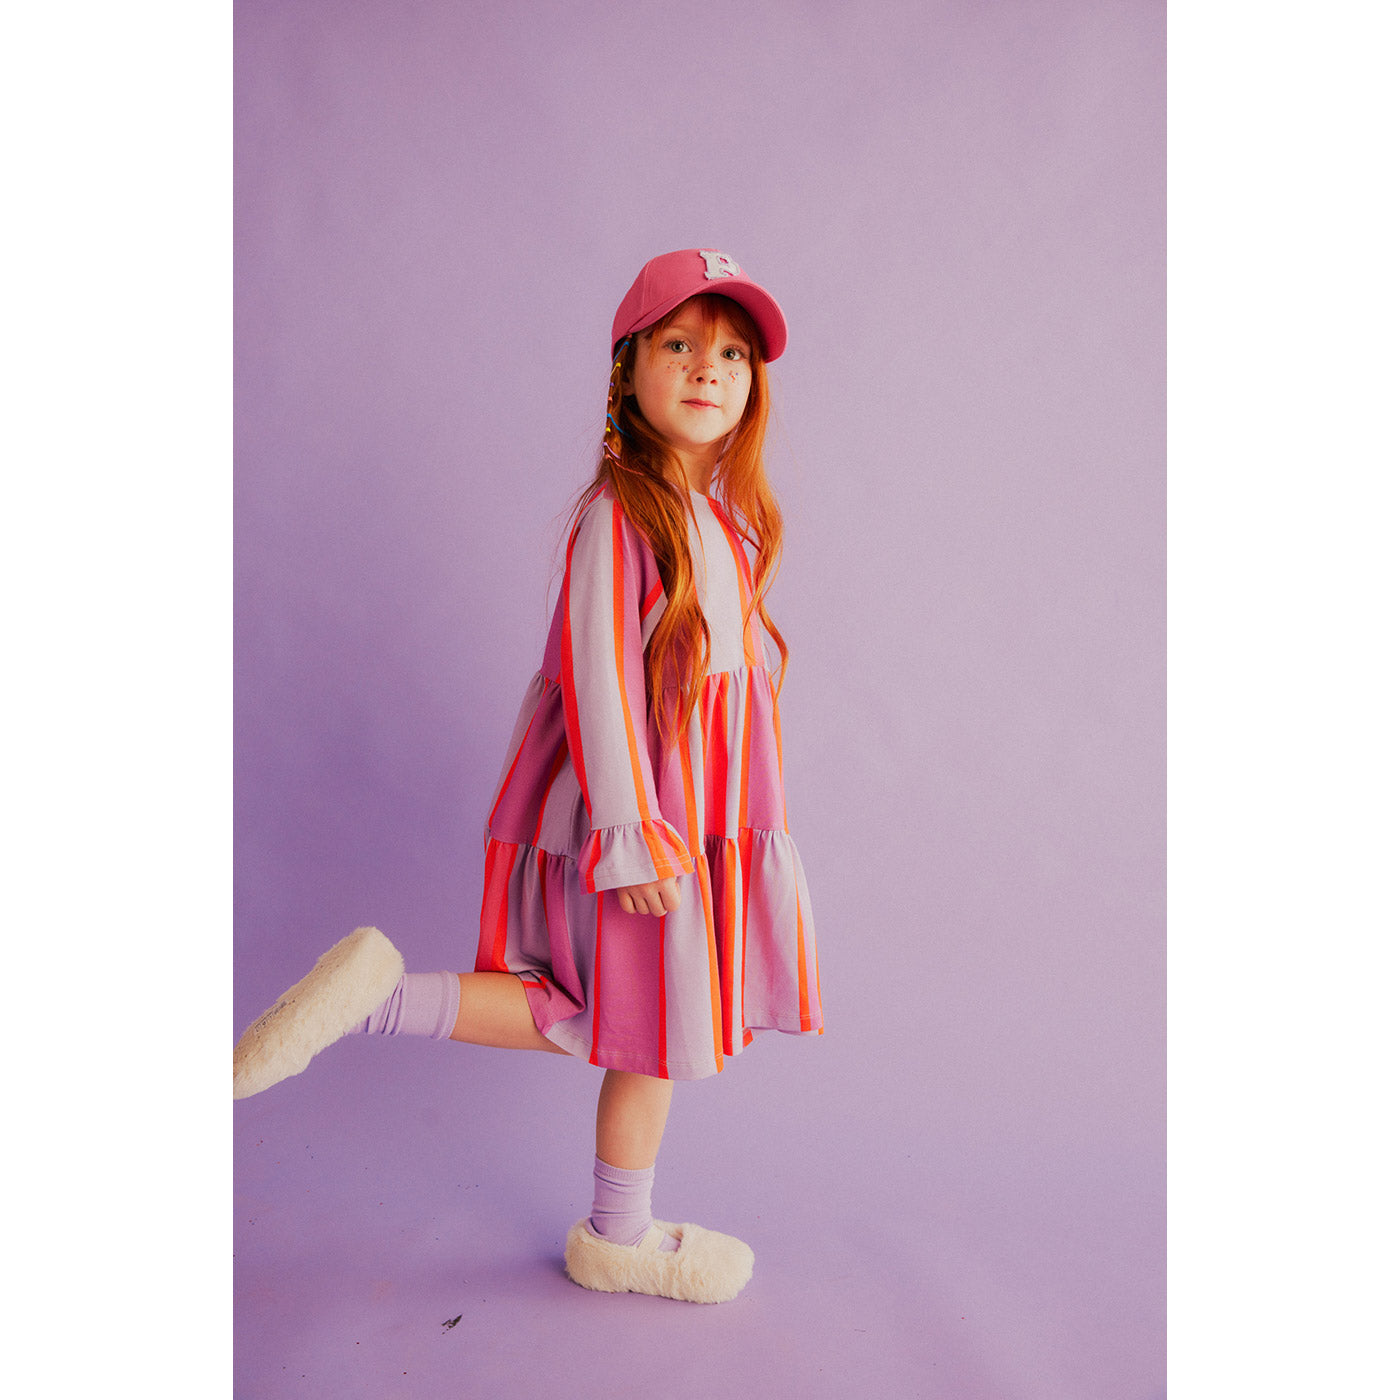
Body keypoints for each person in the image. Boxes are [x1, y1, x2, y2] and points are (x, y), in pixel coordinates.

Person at [233, 248, 823, 1304]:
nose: (708, 367)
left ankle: (381, 1005)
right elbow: (600, 679)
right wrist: (633, 831)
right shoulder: (620, 515)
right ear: (628, 370)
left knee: (627, 1017)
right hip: (645, 817)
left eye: (733, 354)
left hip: (692, 814)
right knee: (631, 1019)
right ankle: (609, 1222)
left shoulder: (724, 522)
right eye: (680, 344)